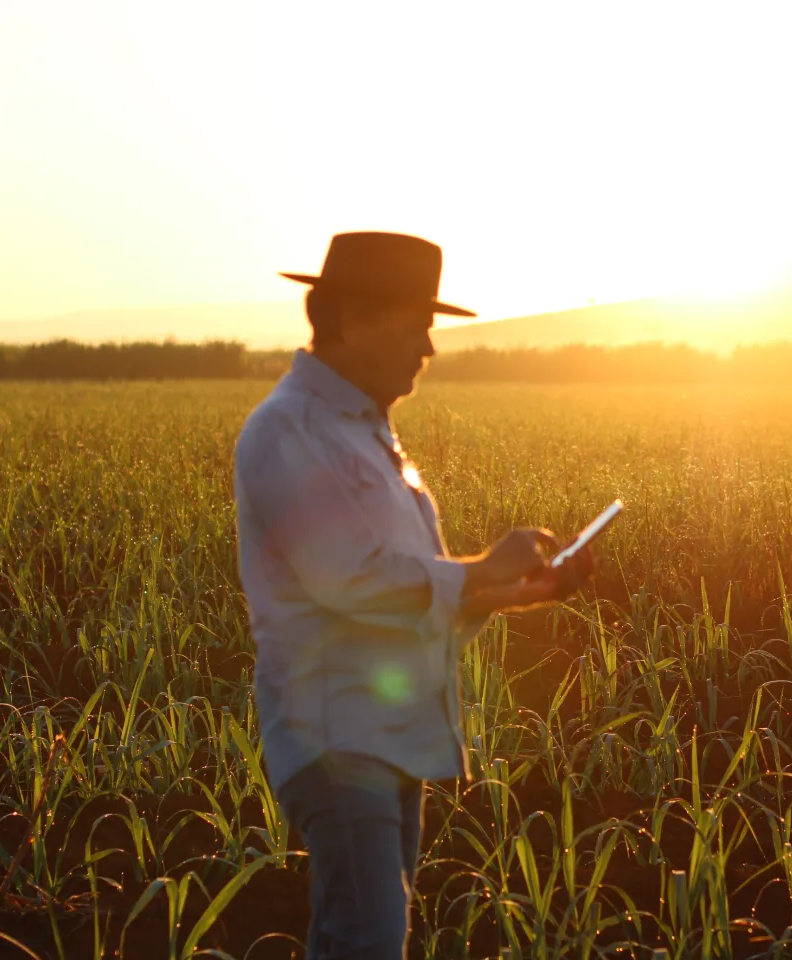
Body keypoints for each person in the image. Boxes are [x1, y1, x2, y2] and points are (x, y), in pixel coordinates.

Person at [233, 231, 591, 959]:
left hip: (389, 737)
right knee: (369, 940)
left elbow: (404, 603)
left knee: (357, 938)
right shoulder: (290, 431)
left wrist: (516, 593)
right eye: (417, 324)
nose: (429, 348)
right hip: (337, 738)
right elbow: (350, 580)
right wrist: (483, 568)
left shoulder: (366, 434)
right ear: (351, 319)